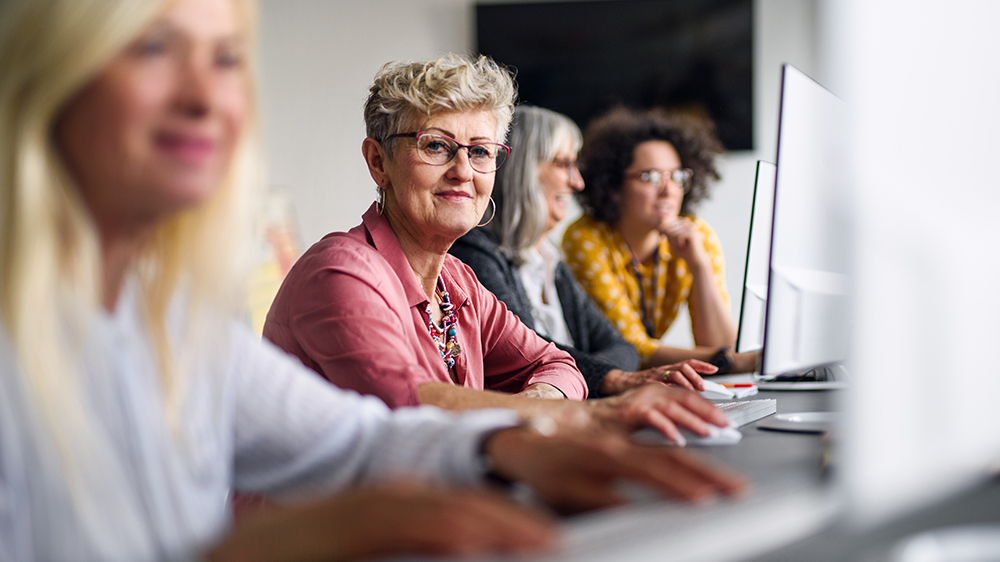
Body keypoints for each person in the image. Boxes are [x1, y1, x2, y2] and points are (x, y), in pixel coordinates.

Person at [0, 1, 746, 560]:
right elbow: (402, 408)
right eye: (155, 48)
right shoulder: (337, 270)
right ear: (378, 161)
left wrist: (517, 439)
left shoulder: (166, 319)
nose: (205, 96)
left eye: (227, 59)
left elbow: (360, 440)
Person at [264, 55, 731, 444]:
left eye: (481, 151)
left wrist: (540, 405)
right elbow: (412, 407)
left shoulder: (456, 280)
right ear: (377, 161)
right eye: (436, 146)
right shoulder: (340, 273)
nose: (463, 171)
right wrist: (587, 416)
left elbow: (557, 362)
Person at [449, 105, 720, 397]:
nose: (577, 182)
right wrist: (609, 377)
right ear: (522, 170)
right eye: (563, 163)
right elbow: (527, 354)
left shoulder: (549, 261)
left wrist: (589, 374)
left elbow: (623, 349)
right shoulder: (474, 252)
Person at [562, 107, 758, 372]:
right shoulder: (585, 238)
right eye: (651, 177)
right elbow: (631, 347)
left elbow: (721, 346)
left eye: (677, 177)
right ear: (613, 186)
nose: (668, 191)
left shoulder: (697, 236)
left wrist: (699, 268)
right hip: (593, 381)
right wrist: (742, 361)